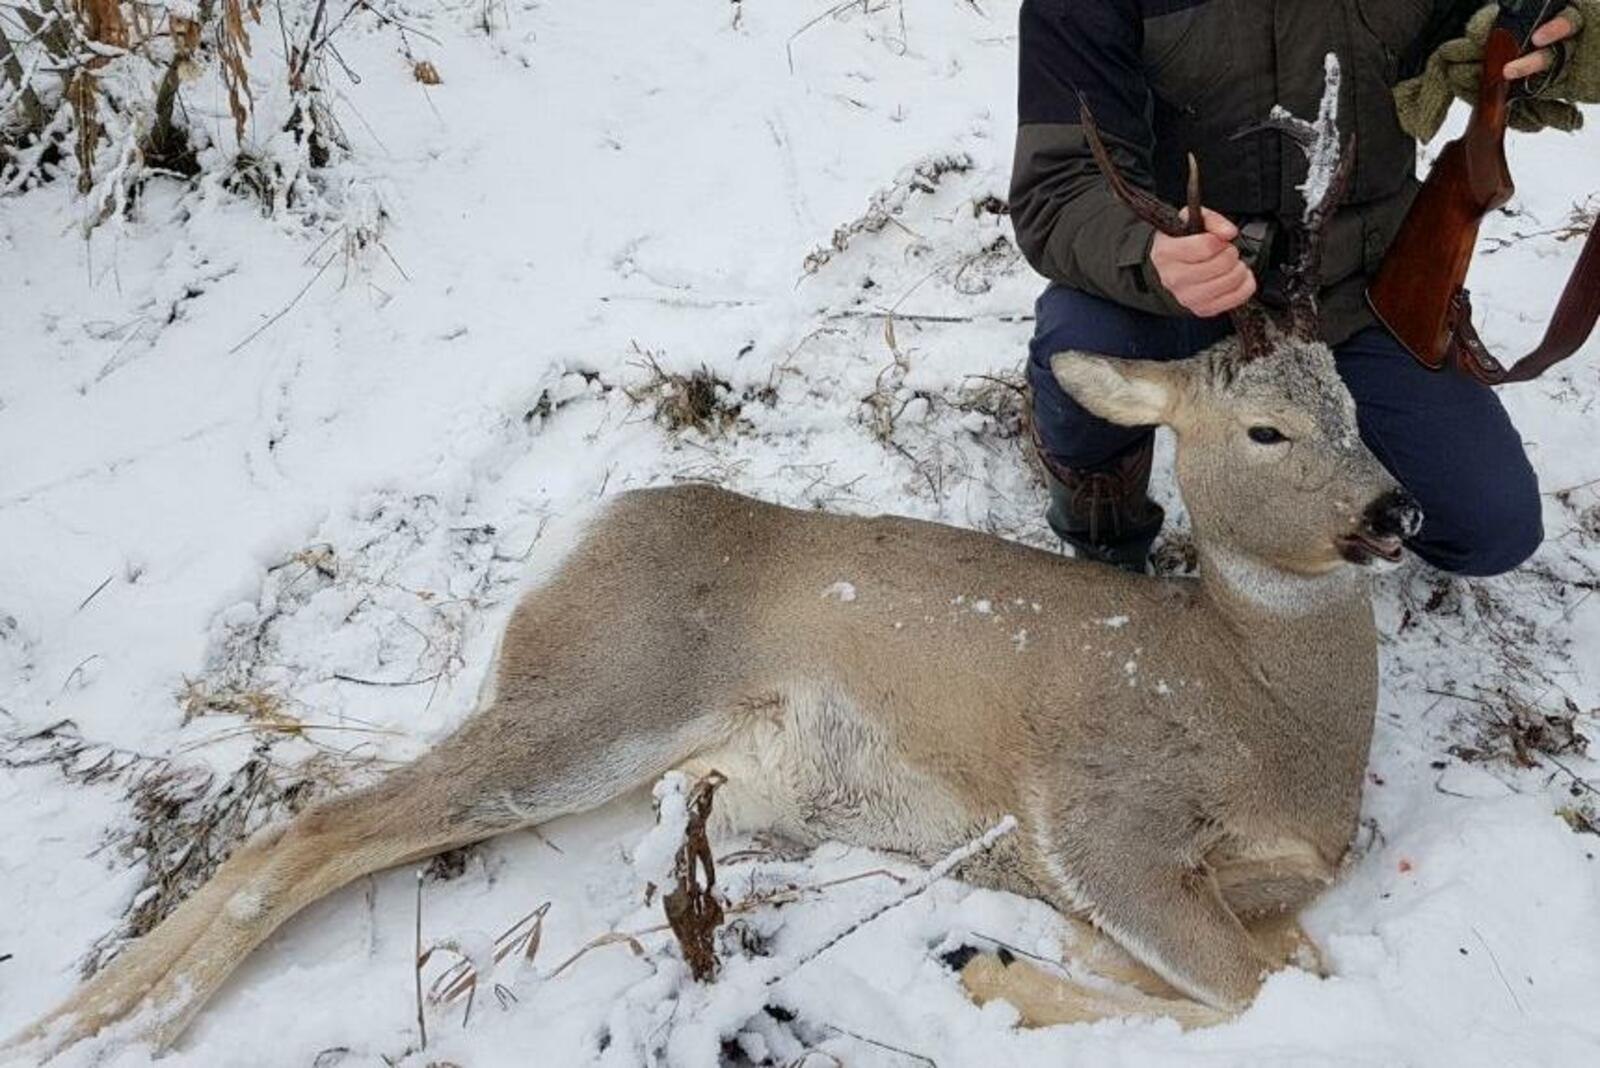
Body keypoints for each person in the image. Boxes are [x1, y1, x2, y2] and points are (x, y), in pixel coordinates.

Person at [1012, 0, 1595, 573]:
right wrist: (1149, 253)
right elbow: (1059, 186)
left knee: (1489, 526)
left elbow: (1517, 19)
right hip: (1180, 287)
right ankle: (1104, 519)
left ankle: (1313, 520)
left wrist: (1562, 38)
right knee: (1083, 344)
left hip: (1351, 295)